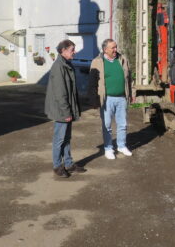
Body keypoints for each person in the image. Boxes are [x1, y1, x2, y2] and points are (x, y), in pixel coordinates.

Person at [45, 39, 86, 178]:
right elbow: (60, 93)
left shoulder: (66, 64)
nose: (74, 52)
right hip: (61, 110)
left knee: (67, 138)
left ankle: (68, 164)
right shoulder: (59, 66)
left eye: (74, 49)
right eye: (72, 50)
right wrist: (66, 112)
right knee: (60, 139)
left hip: (65, 109)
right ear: (63, 51)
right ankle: (57, 166)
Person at [88, 39, 133, 159]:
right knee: (107, 125)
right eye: (112, 48)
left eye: (116, 47)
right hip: (107, 99)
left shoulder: (122, 60)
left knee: (122, 124)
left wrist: (131, 94)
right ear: (105, 49)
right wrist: (94, 100)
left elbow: (129, 78)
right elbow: (92, 83)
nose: (115, 50)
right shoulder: (97, 62)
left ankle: (122, 146)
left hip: (121, 98)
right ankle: (108, 148)